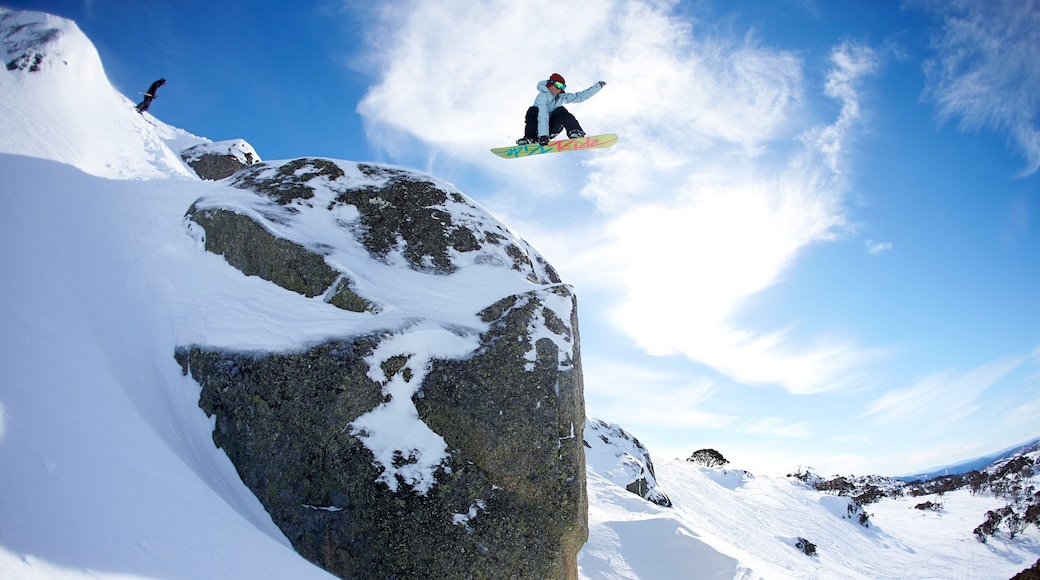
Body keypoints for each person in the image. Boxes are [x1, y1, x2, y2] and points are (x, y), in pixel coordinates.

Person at [517, 73, 606, 145]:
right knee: (532, 111)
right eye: (558, 85)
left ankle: (575, 132)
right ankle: (530, 138)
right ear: (550, 83)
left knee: (560, 110)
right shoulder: (542, 97)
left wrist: (598, 86)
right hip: (539, 131)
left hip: (552, 128)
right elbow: (542, 115)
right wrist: (543, 135)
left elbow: (580, 96)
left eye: (563, 87)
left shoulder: (561, 97)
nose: (559, 89)